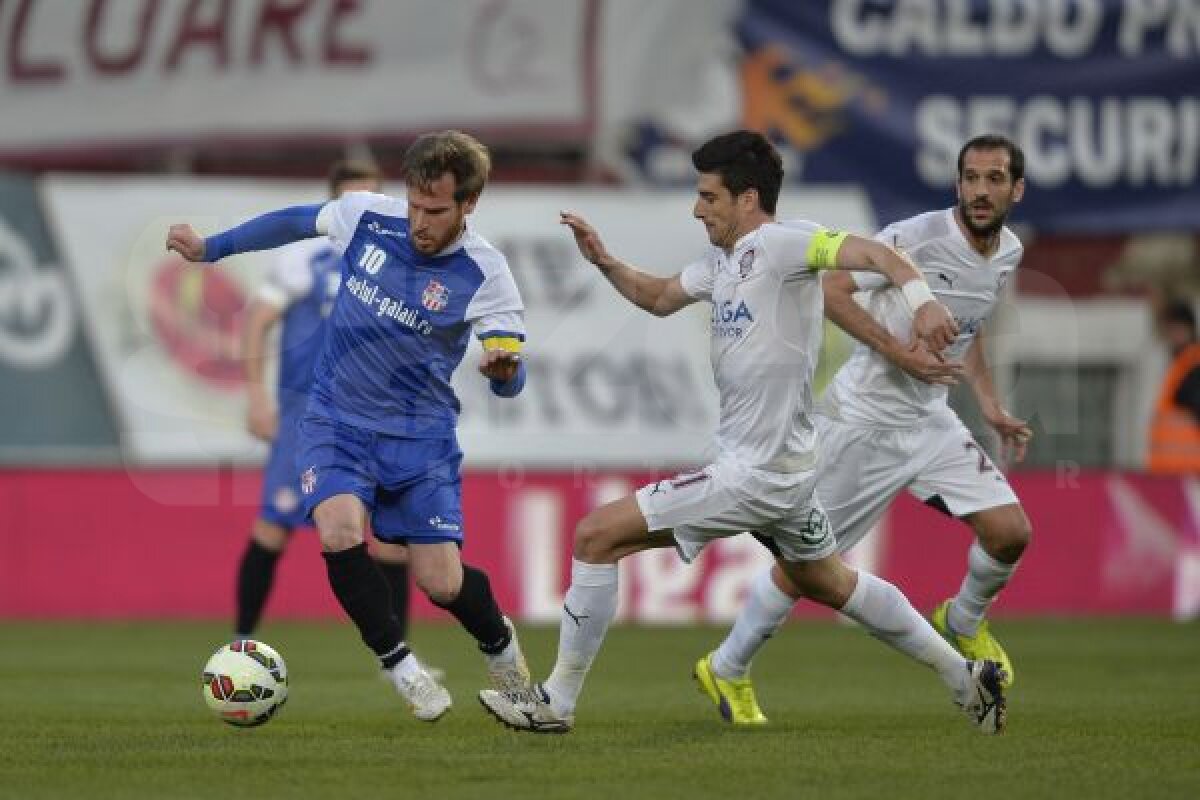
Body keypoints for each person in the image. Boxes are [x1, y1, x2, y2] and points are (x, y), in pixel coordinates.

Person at [477, 130, 1009, 735]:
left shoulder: (788, 245)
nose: (697, 208)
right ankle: (966, 680)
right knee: (832, 582)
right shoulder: (720, 264)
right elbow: (656, 296)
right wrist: (605, 261)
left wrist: (921, 302)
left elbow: (881, 256)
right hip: (787, 474)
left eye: (708, 196)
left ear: (747, 197)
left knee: (596, 534)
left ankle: (557, 702)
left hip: (752, 476)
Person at [168, 130, 531, 722]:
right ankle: (402, 668)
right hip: (336, 418)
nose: (420, 221)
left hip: (420, 438)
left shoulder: (486, 273)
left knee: (441, 582)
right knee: (338, 531)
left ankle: (503, 652)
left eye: (436, 211)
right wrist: (212, 248)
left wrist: (504, 370)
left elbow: (509, 378)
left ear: (469, 206)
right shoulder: (369, 216)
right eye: (415, 204)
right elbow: (295, 222)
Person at [693, 133, 1035, 727]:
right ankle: (726, 665)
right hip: (863, 420)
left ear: (1017, 188)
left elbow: (964, 326)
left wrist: (988, 402)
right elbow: (832, 291)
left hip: (930, 420)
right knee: (806, 567)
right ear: (957, 184)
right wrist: (901, 356)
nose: (981, 191)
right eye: (971, 178)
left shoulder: (1008, 253)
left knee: (1010, 533)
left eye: (995, 179)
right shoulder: (917, 237)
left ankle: (963, 621)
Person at [235, 160, 419, 647]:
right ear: (332, 203)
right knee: (274, 525)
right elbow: (258, 319)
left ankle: (398, 652)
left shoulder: (398, 261)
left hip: (374, 414)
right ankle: (240, 642)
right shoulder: (304, 256)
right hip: (305, 414)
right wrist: (256, 396)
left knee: (390, 538)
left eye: (371, 197)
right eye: (350, 198)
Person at [1147, 300, 1200, 473]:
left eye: (1177, 329)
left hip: (1189, 472)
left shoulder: (1193, 367)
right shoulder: (1180, 365)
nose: (1172, 335)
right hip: (1172, 473)